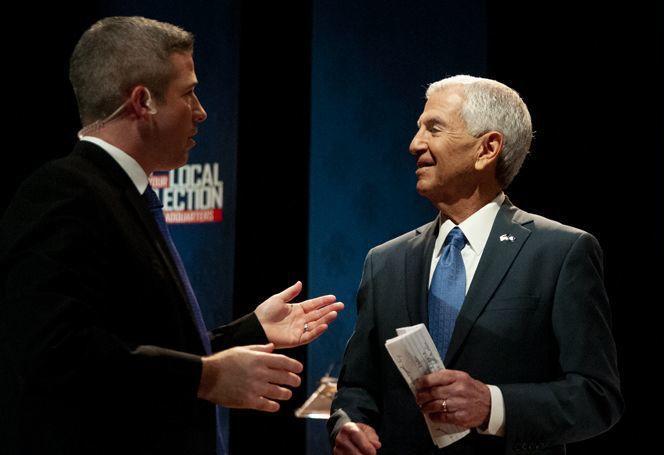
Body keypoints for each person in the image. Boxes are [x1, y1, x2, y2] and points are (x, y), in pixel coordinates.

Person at [0, 16, 343, 455]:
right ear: (143, 102)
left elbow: (140, 346)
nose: (201, 111)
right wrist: (207, 376)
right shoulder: (63, 194)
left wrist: (249, 330)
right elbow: (56, 352)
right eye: (188, 93)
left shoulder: (121, 194)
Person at [328, 75, 623, 454]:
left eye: (434, 128)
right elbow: (357, 387)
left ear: (487, 149)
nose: (414, 144)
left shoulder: (561, 253)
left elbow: (597, 398)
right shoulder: (384, 261)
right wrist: (348, 424)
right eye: (419, 128)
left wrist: (492, 405)